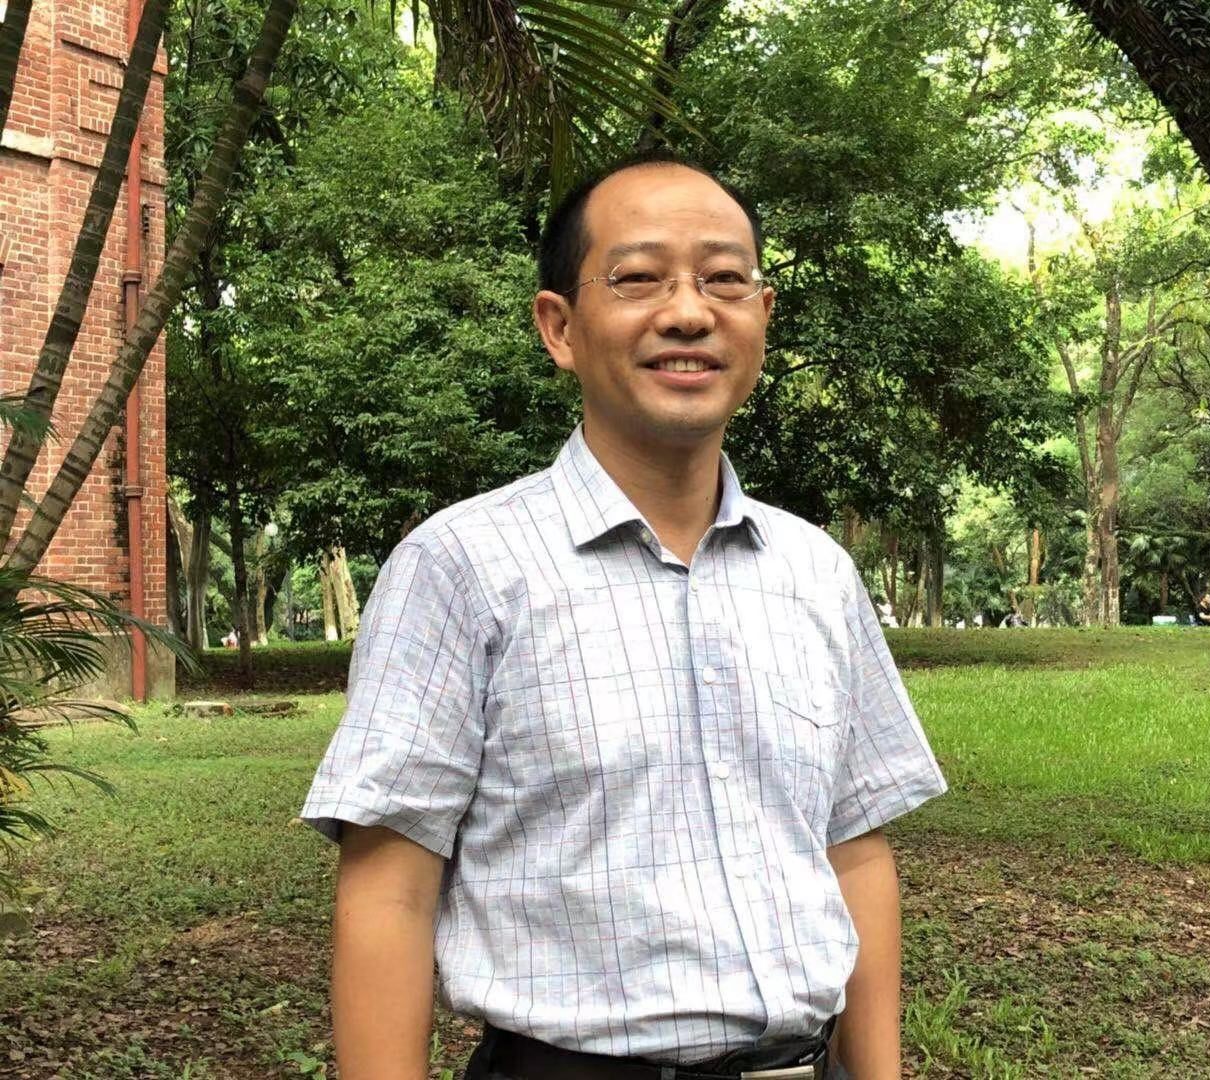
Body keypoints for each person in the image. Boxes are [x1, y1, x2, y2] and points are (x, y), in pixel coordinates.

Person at [300, 156, 948, 1080]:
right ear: (559, 327)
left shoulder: (817, 574)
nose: (688, 313)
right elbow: (389, 889)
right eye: (639, 278)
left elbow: (854, 850)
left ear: (762, 316)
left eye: (724, 279)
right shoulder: (461, 567)